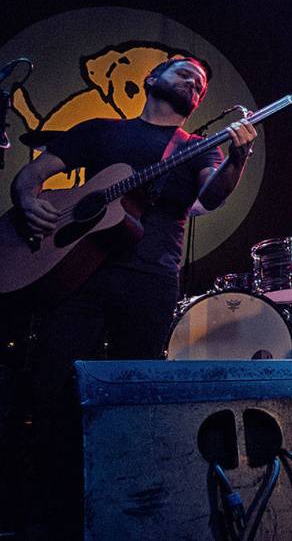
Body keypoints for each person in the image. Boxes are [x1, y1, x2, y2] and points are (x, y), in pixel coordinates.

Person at [9, 56, 257, 536]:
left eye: (200, 83)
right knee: (49, 391)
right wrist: (28, 201)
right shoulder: (100, 130)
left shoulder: (197, 149)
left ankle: (123, 515)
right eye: (185, 71)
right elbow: (32, 176)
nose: (194, 81)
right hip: (77, 277)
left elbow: (213, 193)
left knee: (133, 401)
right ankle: (47, 514)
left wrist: (237, 158)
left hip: (149, 280)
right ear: (151, 78)